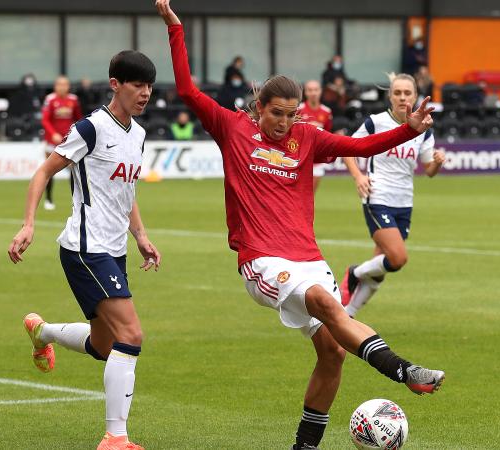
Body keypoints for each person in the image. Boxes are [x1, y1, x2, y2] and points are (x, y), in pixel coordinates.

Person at [157, 3, 444, 450]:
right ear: (259, 107)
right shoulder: (232, 128)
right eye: (277, 114)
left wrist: (408, 130)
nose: (286, 122)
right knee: (323, 304)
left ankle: (304, 446)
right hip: (262, 260)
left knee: (332, 352)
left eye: (292, 114)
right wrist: (176, 30)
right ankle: (404, 371)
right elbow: (188, 90)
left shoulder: (306, 138)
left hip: (308, 257)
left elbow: (360, 143)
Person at [7, 50, 161, 450]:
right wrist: (28, 224)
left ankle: (42, 332)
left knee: (106, 345)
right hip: (84, 248)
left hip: (113, 251)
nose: (145, 93)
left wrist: (141, 236)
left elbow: (126, 192)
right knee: (132, 334)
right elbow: (44, 171)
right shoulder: (91, 128)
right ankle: (116, 437)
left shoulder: (138, 135)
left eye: (149, 86)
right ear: (116, 84)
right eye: (137, 85)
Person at [340, 73, 445, 318]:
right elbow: (347, 149)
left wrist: (438, 162)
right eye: (397, 93)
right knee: (397, 258)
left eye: (407, 93)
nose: (402, 97)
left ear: (416, 96)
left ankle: (348, 315)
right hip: (378, 197)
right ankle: (354, 273)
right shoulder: (376, 122)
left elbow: (428, 170)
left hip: (404, 202)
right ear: (389, 96)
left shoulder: (424, 128)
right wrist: (359, 176)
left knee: (379, 267)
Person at [41, 75, 83, 210]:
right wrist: (53, 133)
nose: (62, 87)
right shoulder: (50, 100)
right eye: (59, 84)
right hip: (52, 141)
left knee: (74, 170)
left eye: (65, 84)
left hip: (69, 141)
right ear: (55, 86)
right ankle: (48, 199)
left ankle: (75, 201)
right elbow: (45, 120)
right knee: (49, 170)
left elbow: (78, 118)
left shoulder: (73, 100)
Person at [298, 80, 333, 193]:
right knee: (297, 193)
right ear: (305, 92)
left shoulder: (326, 112)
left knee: (310, 193)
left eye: (316, 90)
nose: (313, 93)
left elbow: (327, 135)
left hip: (317, 160)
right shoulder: (298, 110)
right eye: (310, 90)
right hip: (300, 158)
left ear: (320, 91)